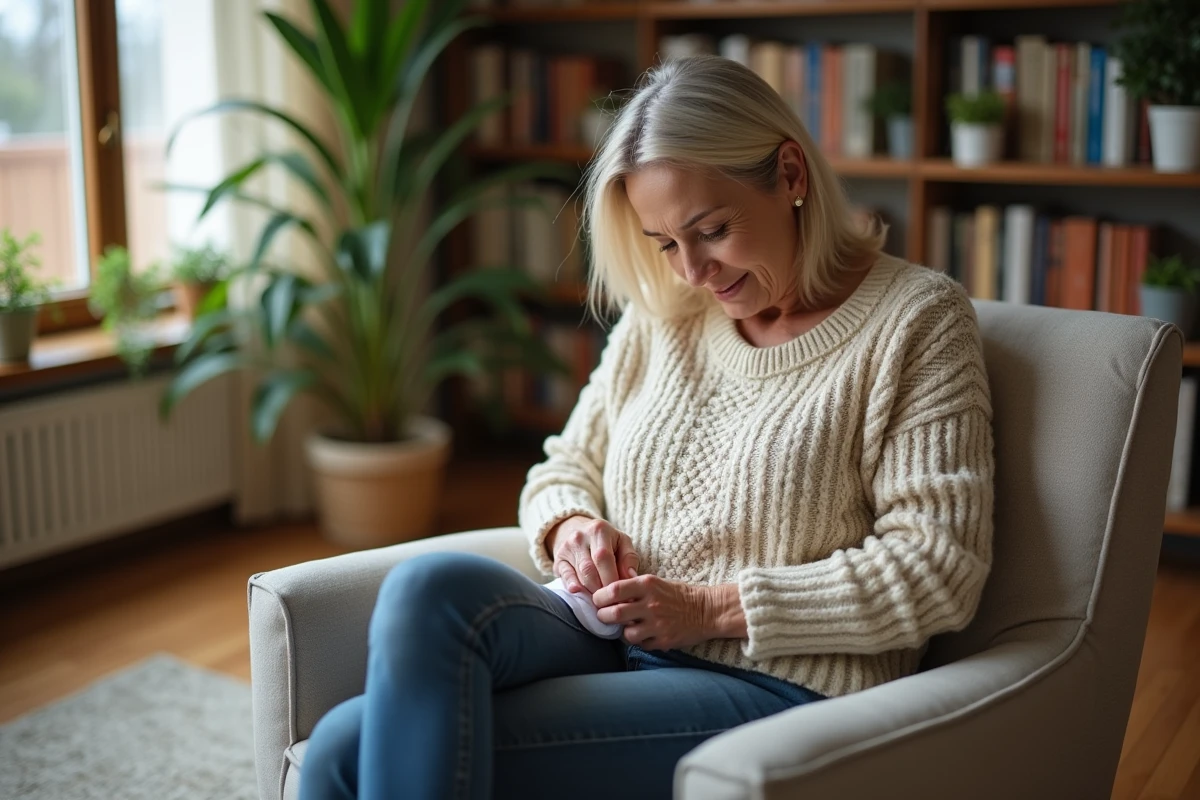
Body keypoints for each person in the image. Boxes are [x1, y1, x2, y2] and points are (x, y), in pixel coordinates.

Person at [299, 53, 995, 800]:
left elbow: (936, 568)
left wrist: (708, 608)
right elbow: (564, 465)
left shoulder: (917, 320)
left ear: (791, 175)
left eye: (712, 229)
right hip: (608, 635)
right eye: (664, 242)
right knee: (425, 589)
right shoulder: (667, 313)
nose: (691, 270)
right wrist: (571, 528)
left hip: (772, 683)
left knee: (343, 752)